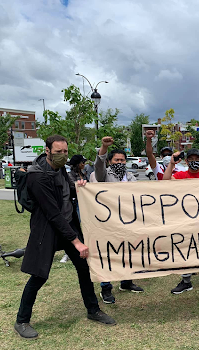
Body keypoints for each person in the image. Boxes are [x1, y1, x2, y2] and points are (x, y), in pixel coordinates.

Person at [15, 135, 115, 339]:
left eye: (65, 152)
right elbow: (53, 213)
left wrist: (80, 187)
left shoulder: (58, 169)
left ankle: (93, 309)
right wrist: (77, 242)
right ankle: (22, 321)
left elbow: (65, 191)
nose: (62, 155)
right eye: (58, 151)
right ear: (47, 150)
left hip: (68, 225)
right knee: (39, 275)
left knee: (83, 268)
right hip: (48, 229)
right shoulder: (37, 176)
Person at [90, 136, 144, 304]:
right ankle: (106, 288)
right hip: (107, 223)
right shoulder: (101, 175)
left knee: (128, 252)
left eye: (122, 160)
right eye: (116, 160)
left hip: (127, 222)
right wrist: (103, 149)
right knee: (107, 255)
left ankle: (126, 281)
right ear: (110, 161)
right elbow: (99, 166)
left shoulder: (131, 177)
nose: (120, 162)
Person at [163, 148, 199, 299]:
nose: (194, 162)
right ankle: (186, 281)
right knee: (185, 249)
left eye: (197, 159)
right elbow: (165, 183)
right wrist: (171, 164)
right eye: (191, 159)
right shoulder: (181, 176)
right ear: (186, 162)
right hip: (185, 220)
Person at [61, 155, 89, 263]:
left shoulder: (83, 174)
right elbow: (72, 187)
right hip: (76, 203)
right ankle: (68, 252)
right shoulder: (70, 175)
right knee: (74, 228)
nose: (84, 164)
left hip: (85, 203)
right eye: (82, 162)